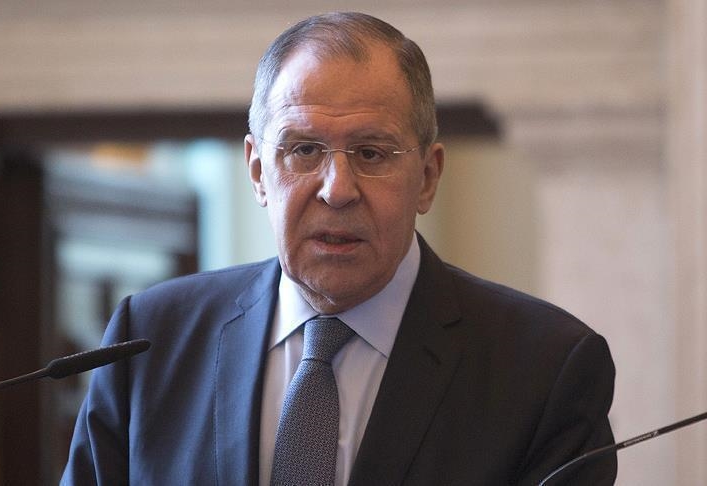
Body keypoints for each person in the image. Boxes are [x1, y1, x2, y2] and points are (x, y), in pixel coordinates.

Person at [61, 11, 616, 485]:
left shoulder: (545, 368)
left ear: (427, 177)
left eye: (372, 153)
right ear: (258, 172)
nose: (337, 189)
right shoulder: (149, 340)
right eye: (304, 150)